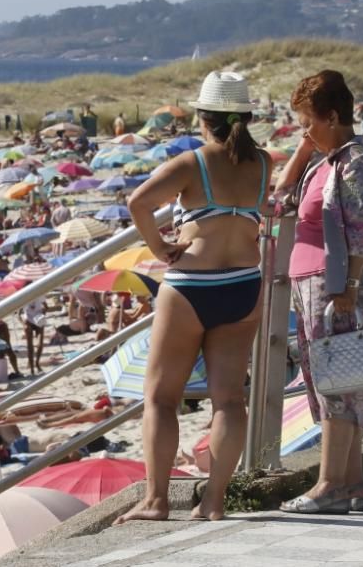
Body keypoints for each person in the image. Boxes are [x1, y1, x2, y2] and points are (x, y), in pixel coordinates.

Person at [117, 71, 272, 523]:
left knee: (162, 399)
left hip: (191, 287)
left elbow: (138, 204)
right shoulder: (262, 163)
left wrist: (160, 247)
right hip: (243, 283)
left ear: (204, 118)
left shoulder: (194, 162)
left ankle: (156, 500)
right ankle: (214, 502)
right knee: (229, 400)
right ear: (244, 116)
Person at [275, 70, 363, 514]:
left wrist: (346, 287)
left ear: (330, 116)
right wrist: (304, 147)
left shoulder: (355, 163)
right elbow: (280, 198)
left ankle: (330, 484)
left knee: (337, 385)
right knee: (333, 381)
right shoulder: (325, 161)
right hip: (315, 286)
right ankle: (351, 482)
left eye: (308, 121)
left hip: (335, 287)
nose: (303, 129)